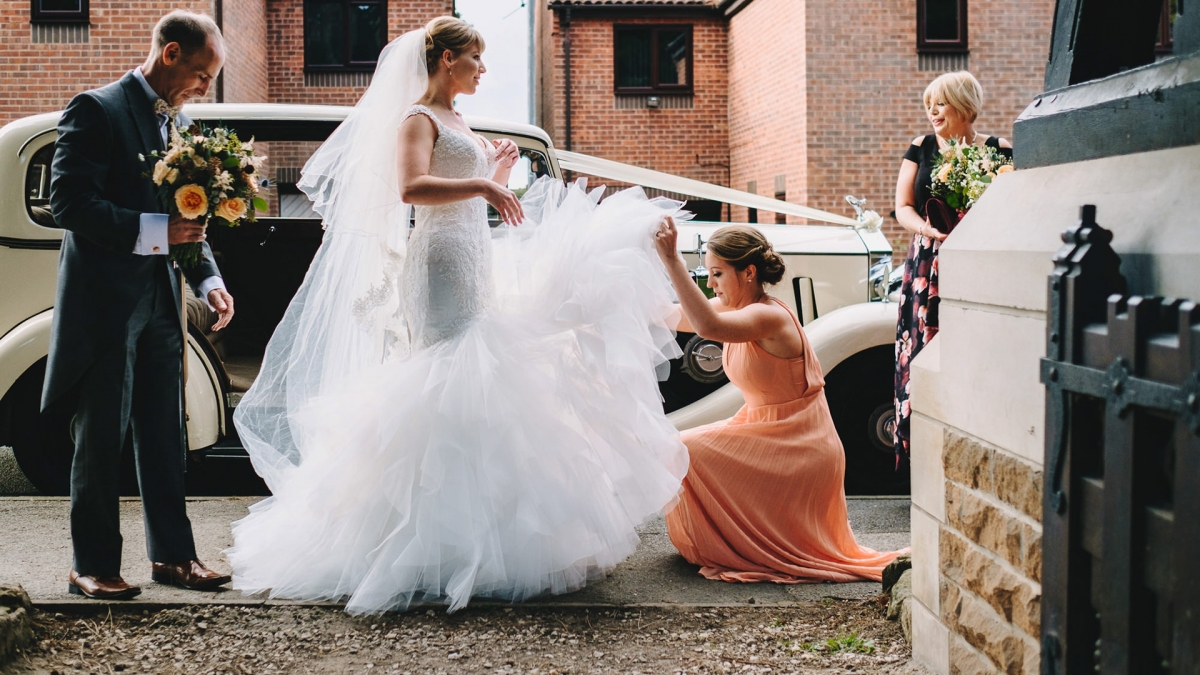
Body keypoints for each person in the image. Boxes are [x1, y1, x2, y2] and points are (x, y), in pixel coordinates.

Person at [226, 17, 689, 614]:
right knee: (449, 373)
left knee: (481, 377)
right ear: (446, 59)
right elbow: (412, 188)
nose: (482, 69)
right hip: (440, 261)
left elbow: (465, 189)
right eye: (475, 58)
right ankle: (420, 543)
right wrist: (484, 184)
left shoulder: (458, 120)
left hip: (471, 255)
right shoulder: (416, 118)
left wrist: (495, 174)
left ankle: (476, 534)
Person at [46, 10, 236, 600]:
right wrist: (157, 232)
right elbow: (69, 205)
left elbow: (191, 217)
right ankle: (92, 565)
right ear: (171, 54)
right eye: (203, 75)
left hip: (162, 303)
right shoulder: (95, 109)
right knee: (101, 435)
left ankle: (174, 559)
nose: (205, 88)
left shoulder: (178, 123)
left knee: (164, 433)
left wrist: (209, 281)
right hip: (104, 304)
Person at [653, 221, 906, 583]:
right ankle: (734, 544)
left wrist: (672, 261)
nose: (711, 284)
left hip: (798, 444)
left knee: (683, 448)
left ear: (749, 272)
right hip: (766, 430)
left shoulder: (767, 315)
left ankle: (737, 546)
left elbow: (706, 326)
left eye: (717, 274)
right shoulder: (739, 307)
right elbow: (678, 317)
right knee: (676, 448)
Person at [893, 71, 1012, 458]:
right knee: (926, 350)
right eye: (929, 104)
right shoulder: (921, 146)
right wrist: (929, 230)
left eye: (940, 103)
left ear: (963, 105)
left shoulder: (999, 150)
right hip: (929, 261)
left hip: (980, 261)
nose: (932, 111)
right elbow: (903, 208)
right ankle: (926, 444)